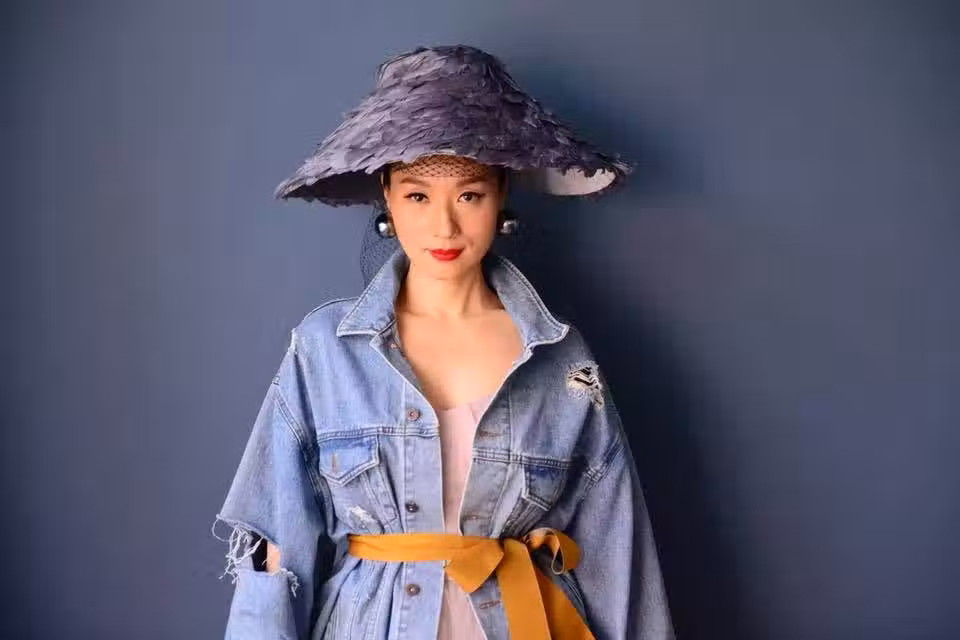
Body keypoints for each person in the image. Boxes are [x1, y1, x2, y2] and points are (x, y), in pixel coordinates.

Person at [213, 44, 673, 639]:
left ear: (501, 194)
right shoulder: (325, 350)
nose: (444, 225)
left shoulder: (562, 359)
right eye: (418, 195)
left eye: (469, 195)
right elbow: (277, 551)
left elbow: (618, 553)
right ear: (386, 196)